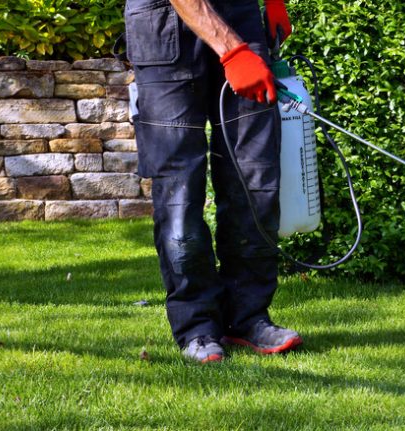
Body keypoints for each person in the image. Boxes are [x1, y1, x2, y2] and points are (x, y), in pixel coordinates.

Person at [124, 0, 302, 362]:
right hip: (163, 26)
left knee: (255, 179)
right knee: (179, 190)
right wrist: (232, 50)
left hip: (241, 18)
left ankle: (249, 317)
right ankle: (198, 326)